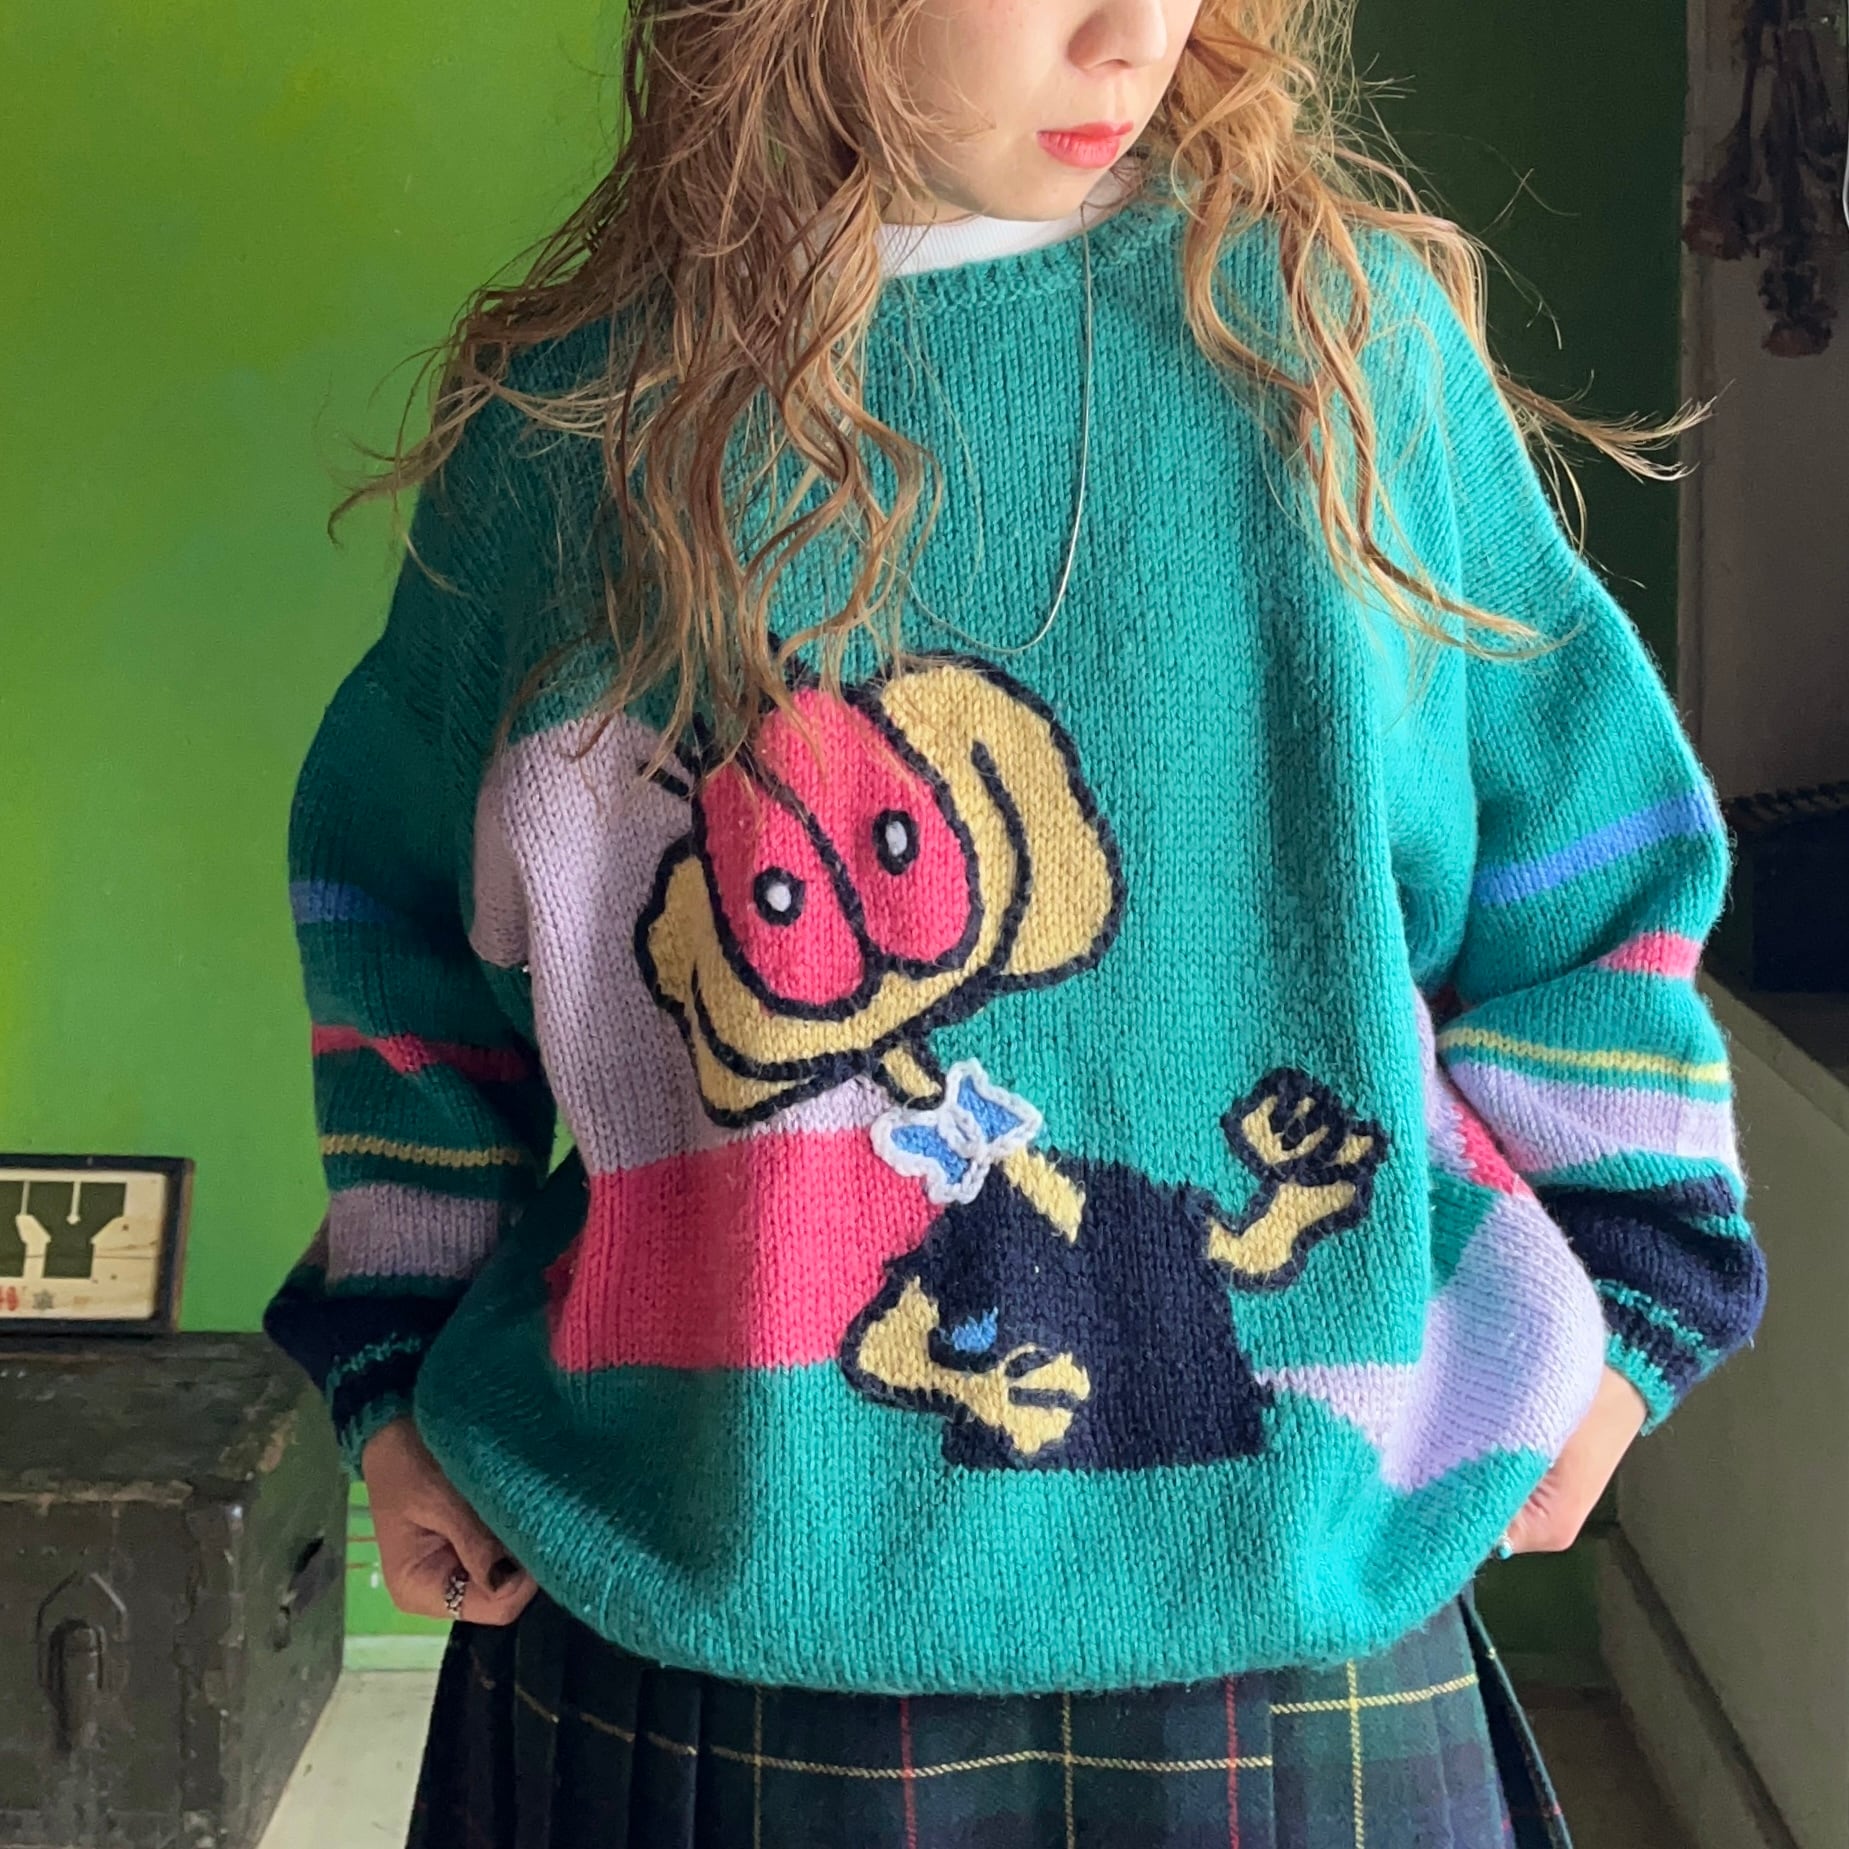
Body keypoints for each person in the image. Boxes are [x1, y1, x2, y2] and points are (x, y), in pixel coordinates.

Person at [263, 0, 1770, 1842]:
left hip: (1300, 1596)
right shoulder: (571, 436)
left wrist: (1628, 1293)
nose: (1137, 35)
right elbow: (396, 917)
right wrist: (395, 1362)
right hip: (692, 1595)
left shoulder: (1340, 350)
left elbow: (1588, 858)